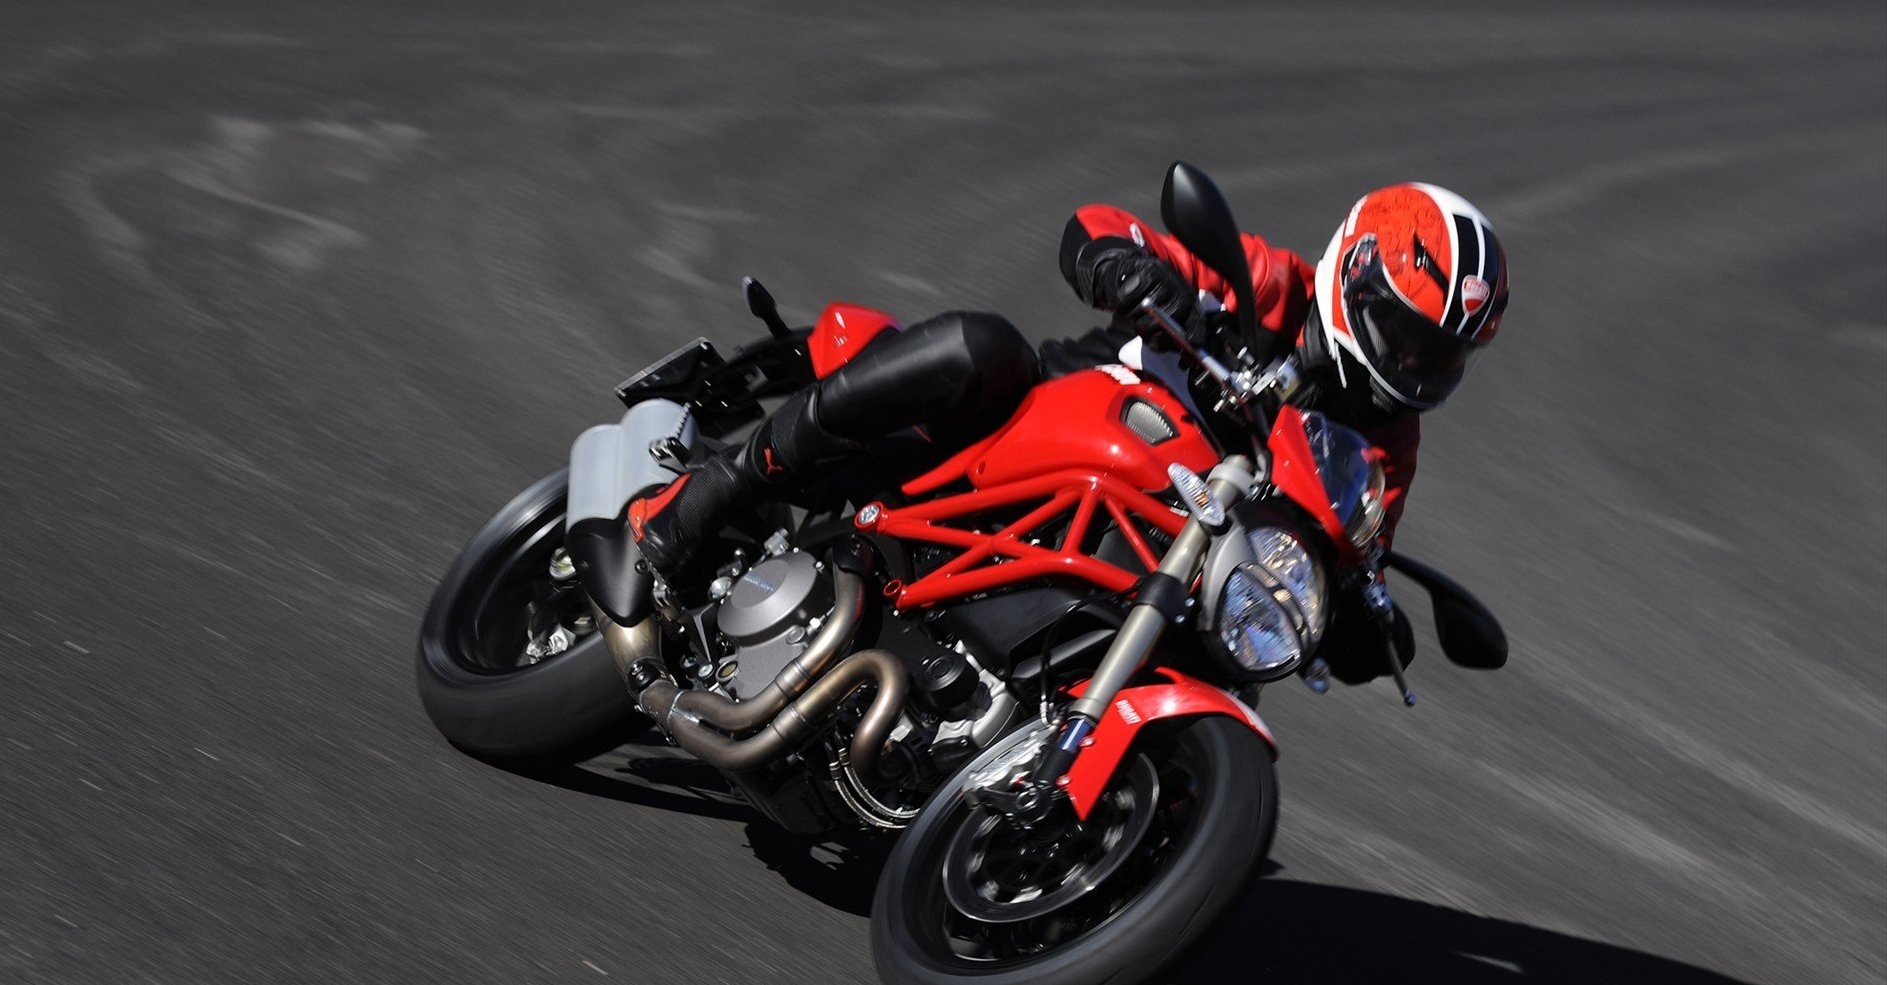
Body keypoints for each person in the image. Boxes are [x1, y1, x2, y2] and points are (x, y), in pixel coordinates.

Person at [627, 182, 1509, 682]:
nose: (1416, 364)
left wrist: (1364, 613)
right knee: (981, 347)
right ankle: (711, 494)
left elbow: (1358, 545)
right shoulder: (1266, 285)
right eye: (1407, 335)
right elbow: (1099, 225)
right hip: (1039, 428)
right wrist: (1127, 267)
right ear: (1353, 276)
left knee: (1230, 659)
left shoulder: (1387, 443)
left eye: (1441, 356)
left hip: (1158, 552)